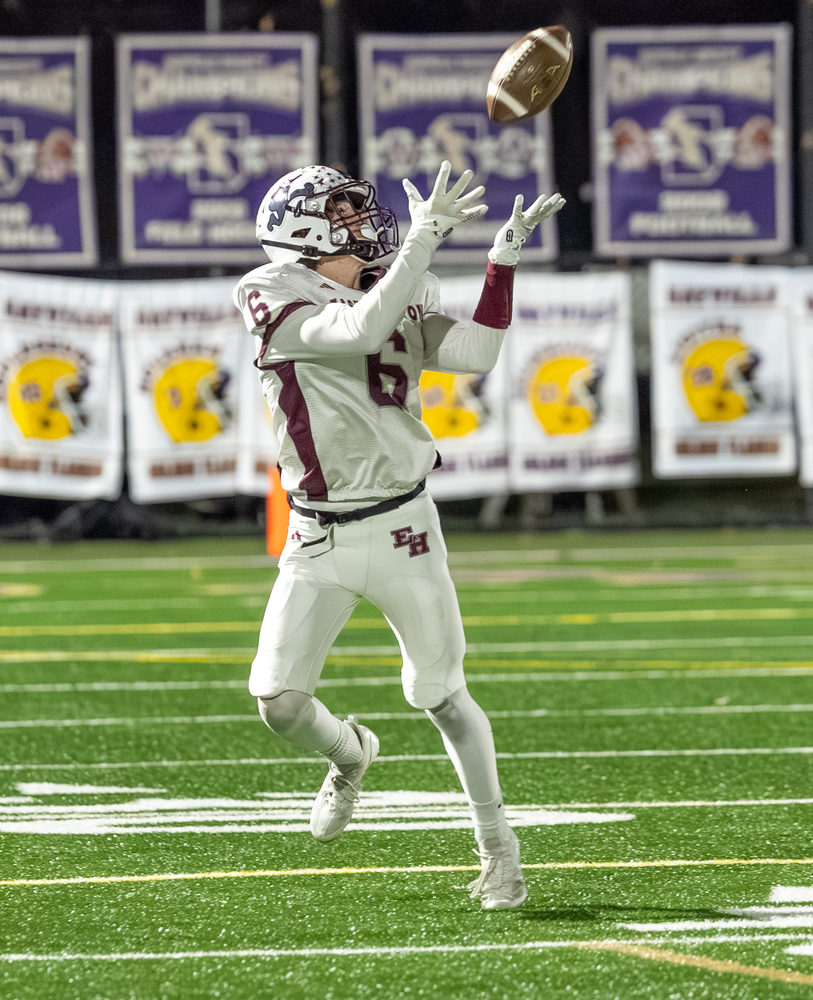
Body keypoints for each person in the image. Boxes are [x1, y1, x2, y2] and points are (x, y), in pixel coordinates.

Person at [234, 161, 565, 909]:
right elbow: (356, 329)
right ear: (305, 232)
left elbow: (476, 352)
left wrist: (501, 263)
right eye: (344, 215)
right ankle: (350, 754)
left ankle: (498, 851)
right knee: (279, 701)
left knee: (442, 694)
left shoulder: (396, 280)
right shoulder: (271, 289)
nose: (363, 224)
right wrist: (422, 242)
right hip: (318, 534)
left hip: (404, 524)